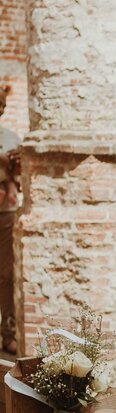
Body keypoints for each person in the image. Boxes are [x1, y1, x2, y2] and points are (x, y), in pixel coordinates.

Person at [0, 85, 20, 355]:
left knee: (6, 274)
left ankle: (8, 333)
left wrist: (17, 167)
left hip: (5, 213)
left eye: (2, 104)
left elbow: (19, 179)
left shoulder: (11, 137)